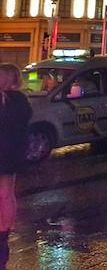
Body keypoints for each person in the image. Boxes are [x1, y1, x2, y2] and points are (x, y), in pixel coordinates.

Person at [0, 63, 33, 270]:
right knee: (6, 194)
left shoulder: (4, 100)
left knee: (4, 194)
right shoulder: (22, 100)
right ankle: (4, 229)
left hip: (3, 152)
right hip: (12, 153)